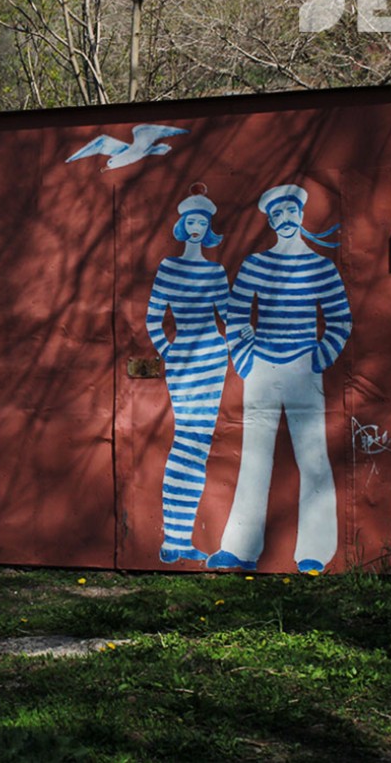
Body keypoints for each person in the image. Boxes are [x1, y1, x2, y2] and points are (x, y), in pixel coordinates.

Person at [207, 184, 350, 574]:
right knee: (254, 457)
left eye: (290, 211)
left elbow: (340, 319)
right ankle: (240, 548)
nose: (284, 219)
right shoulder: (255, 265)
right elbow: (237, 315)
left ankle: (314, 552)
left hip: (304, 366)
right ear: (270, 221)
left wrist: (318, 358)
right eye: (276, 215)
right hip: (262, 369)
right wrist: (246, 361)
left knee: (313, 456)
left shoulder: (321, 267)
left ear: (300, 215)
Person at [146, 185, 229, 563]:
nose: (196, 228)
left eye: (203, 223)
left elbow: (228, 316)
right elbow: (153, 319)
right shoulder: (168, 267)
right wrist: (171, 353)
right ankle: (174, 539)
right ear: (182, 225)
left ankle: (180, 540)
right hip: (184, 360)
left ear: (209, 228)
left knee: (199, 446)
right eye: (191, 221)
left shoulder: (216, 271)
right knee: (186, 442)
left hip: (213, 359)